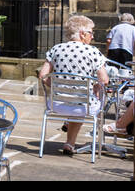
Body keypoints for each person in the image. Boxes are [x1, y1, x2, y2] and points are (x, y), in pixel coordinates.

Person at [38, 14, 110, 156]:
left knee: (76, 101)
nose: (93, 36)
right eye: (91, 32)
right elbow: (105, 80)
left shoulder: (56, 49)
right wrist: (96, 87)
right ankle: (72, 142)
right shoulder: (93, 52)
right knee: (84, 102)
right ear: (83, 34)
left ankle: (69, 142)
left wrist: (58, 87)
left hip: (56, 104)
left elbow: (42, 75)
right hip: (82, 106)